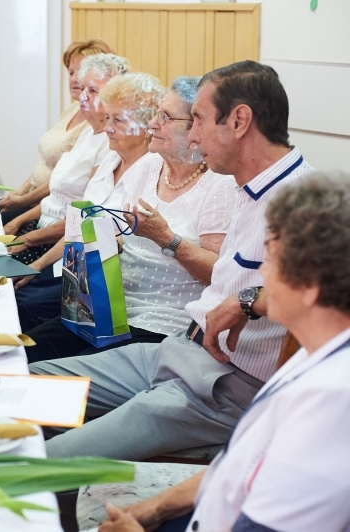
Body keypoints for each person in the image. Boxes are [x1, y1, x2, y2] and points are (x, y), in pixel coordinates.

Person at [30, 60, 315, 461]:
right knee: (12, 385)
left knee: (50, 459)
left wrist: (247, 299)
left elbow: (330, 295)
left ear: (239, 120)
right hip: (177, 353)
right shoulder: (246, 188)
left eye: (197, 119)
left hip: (222, 385)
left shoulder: (305, 199)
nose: (193, 136)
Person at [98, 171, 350, 532]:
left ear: (310, 286)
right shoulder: (317, 352)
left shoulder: (330, 403)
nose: (261, 272)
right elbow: (236, 465)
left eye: (273, 259)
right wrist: (154, 508)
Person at [23, 76, 236, 360]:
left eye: (165, 117)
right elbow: (121, 235)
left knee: (56, 369)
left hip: (162, 321)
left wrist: (166, 238)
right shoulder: (149, 166)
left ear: (196, 125)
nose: (152, 125)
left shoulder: (219, 184)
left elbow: (218, 275)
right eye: (156, 113)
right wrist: (98, 242)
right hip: (109, 307)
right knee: (25, 351)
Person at [3, 53, 130, 267]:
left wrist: (28, 237)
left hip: (57, 240)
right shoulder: (89, 133)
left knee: (2, 275)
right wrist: (19, 221)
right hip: (44, 227)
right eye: (82, 89)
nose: (83, 97)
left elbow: (82, 218)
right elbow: (55, 197)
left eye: (92, 91)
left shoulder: (110, 145)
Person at [0, 39, 113, 224]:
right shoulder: (74, 110)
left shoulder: (97, 126)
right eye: (71, 72)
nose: (75, 78)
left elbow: (70, 188)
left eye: (83, 72)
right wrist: (19, 192)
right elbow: (45, 160)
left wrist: (22, 202)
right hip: (37, 203)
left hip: (43, 207)